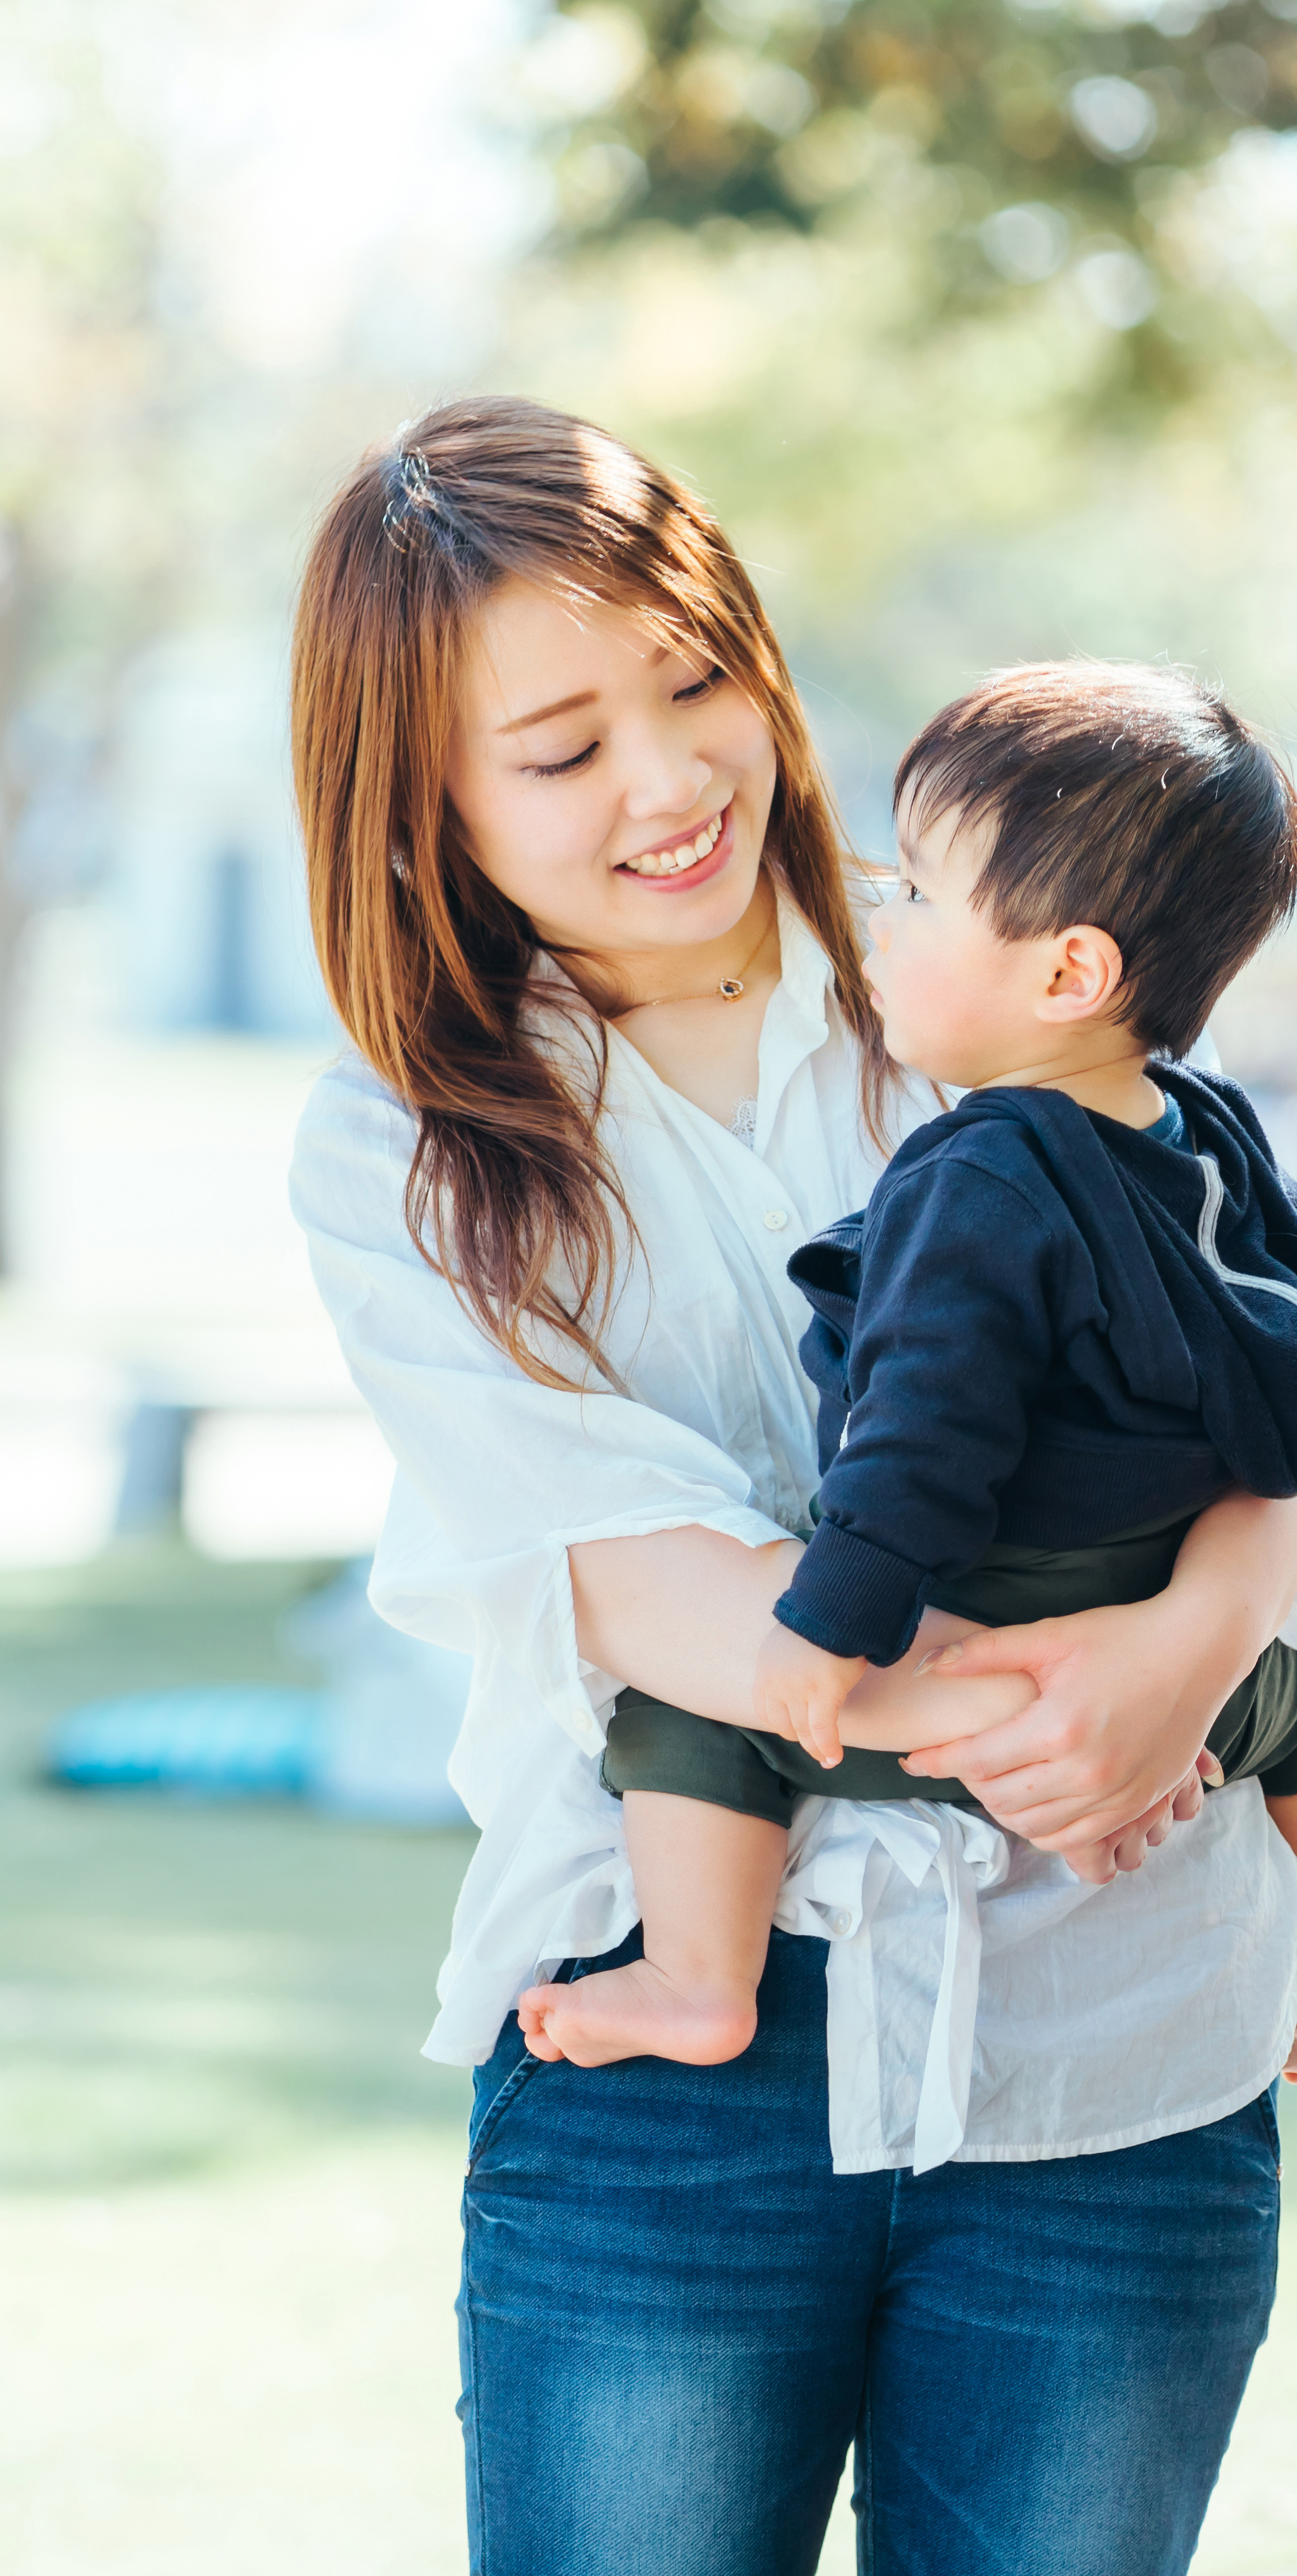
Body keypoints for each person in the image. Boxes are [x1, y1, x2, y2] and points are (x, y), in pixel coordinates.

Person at [287, 395, 1297, 2576]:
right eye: (557, 751)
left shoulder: (1005, 950)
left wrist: (1197, 1651)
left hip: (1119, 2044)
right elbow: (643, 1583)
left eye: (693, 679)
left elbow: (1243, 1346)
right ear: (416, 804)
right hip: (669, 2075)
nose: (667, 782)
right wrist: (1045, 1717)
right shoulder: (403, 1144)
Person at [536, 662, 1297, 2072]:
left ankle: (699, 1976)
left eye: (924, 895)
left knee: (687, 1713)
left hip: (995, 1640)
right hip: (1192, 1652)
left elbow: (919, 1436)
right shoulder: (1207, 1128)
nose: (880, 916)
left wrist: (821, 1634)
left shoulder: (982, 1172)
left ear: (1068, 970)